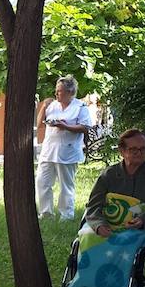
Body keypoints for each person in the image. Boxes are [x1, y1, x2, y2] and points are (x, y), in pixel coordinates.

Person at [68, 129, 145, 287]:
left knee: (124, 240)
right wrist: (98, 225)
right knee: (88, 236)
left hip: (137, 226)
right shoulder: (109, 174)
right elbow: (93, 206)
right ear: (122, 151)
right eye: (134, 150)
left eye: (143, 149)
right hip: (107, 222)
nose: (139, 153)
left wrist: (144, 219)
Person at [34, 75, 93, 221]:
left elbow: (85, 127)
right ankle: (46, 212)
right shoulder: (53, 105)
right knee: (42, 181)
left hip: (68, 151)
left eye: (59, 91)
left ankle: (66, 214)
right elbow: (40, 123)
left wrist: (65, 126)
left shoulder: (80, 107)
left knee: (66, 185)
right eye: (56, 91)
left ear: (70, 92)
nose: (56, 94)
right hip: (49, 150)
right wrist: (44, 106)